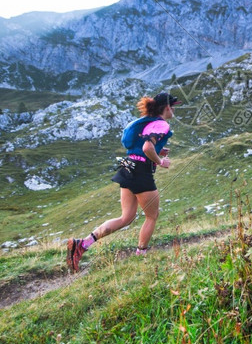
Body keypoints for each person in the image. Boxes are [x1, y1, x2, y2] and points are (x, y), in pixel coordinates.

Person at [66, 92, 180, 273]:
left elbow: (141, 145)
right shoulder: (161, 124)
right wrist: (160, 161)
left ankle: (82, 244)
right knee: (152, 215)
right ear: (167, 107)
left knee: (126, 217)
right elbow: (147, 147)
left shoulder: (146, 122)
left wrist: (160, 149)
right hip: (141, 171)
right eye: (173, 106)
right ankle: (141, 255)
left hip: (127, 165)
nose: (174, 110)